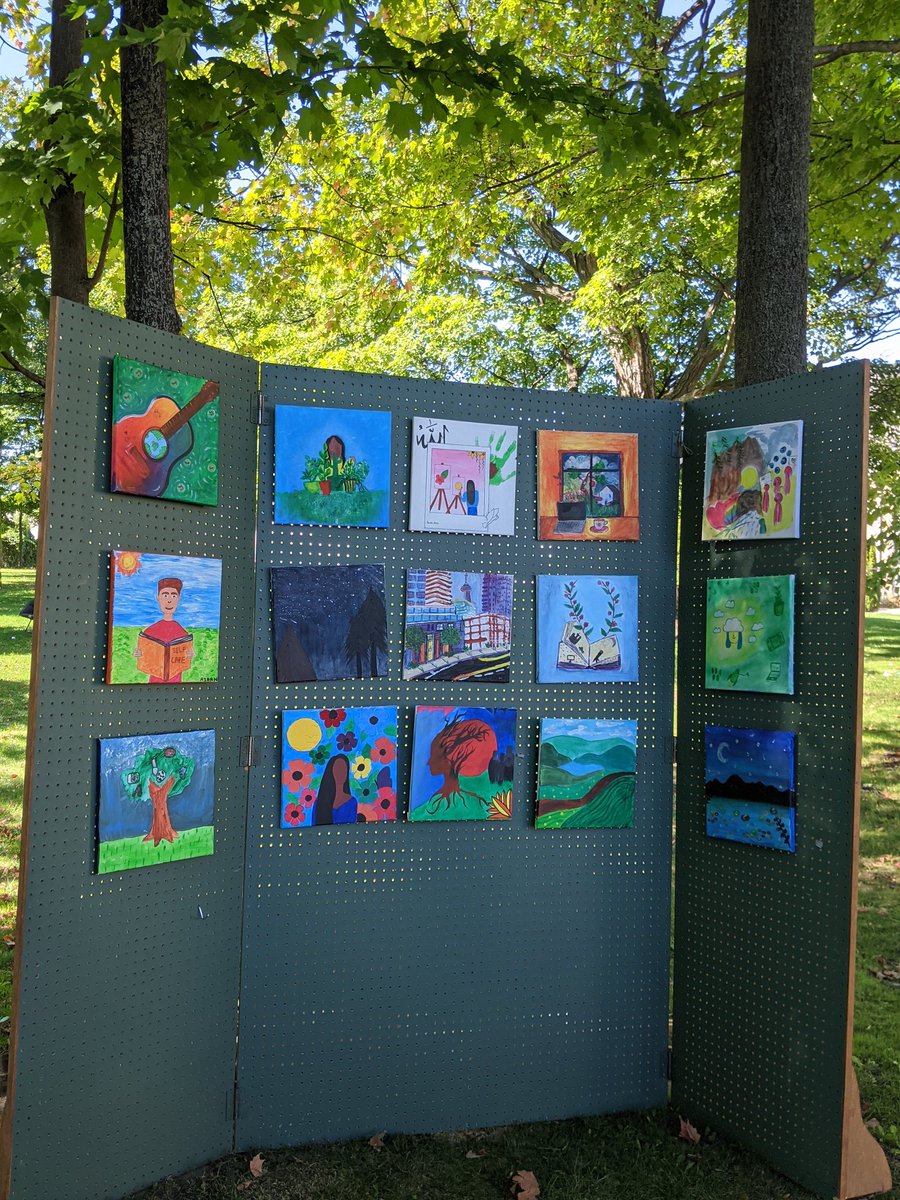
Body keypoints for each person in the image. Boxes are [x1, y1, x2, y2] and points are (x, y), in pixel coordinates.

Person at [137, 577, 194, 684]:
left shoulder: (182, 632)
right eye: (165, 595)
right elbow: (143, 653)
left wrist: (189, 655)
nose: (169, 600)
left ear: (178, 599)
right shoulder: (150, 630)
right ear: (158, 597)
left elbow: (185, 655)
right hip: (154, 681)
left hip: (176, 681)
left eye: (174, 596)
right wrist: (139, 654)